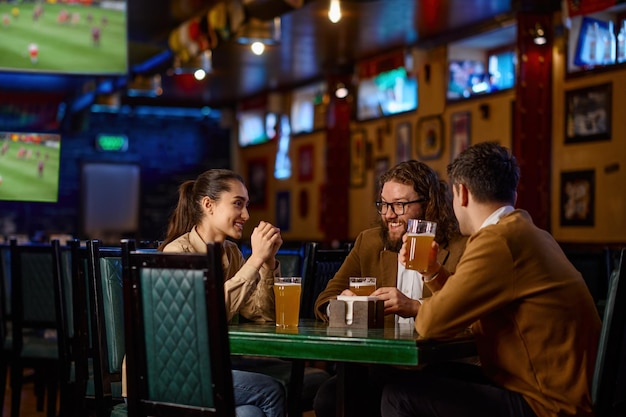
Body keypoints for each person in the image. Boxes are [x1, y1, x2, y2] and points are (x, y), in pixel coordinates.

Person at [381, 142, 601, 417]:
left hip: (546, 405)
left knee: (398, 396)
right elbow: (463, 305)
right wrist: (433, 271)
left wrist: (419, 307)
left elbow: (433, 323)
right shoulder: (529, 233)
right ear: (513, 193)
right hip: (559, 392)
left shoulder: (496, 241)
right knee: (428, 375)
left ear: (461, 193)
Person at [312, 160, 468, 417]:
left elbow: (468, 317)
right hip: (383, 363)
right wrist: (345, 304)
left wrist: (416, 307)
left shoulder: (462, 247)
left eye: (399, 205)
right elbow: (326, 298)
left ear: (428, 204)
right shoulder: (370, 241)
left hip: (439, 365)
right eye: (384, 204)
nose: (388, 214)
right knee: (329, 398)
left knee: (393, 396)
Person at [127, 168, 286, 417]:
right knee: (270, 390)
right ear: (209, 205)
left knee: (249, 413)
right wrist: (254, 261)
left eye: (246, 205)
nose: (246, 214)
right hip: (161, 374)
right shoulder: (177, 253)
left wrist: (267, 263)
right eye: (237, 204)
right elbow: (205, 316)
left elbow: (261, 316)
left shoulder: (231, 252)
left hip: (201, 369)